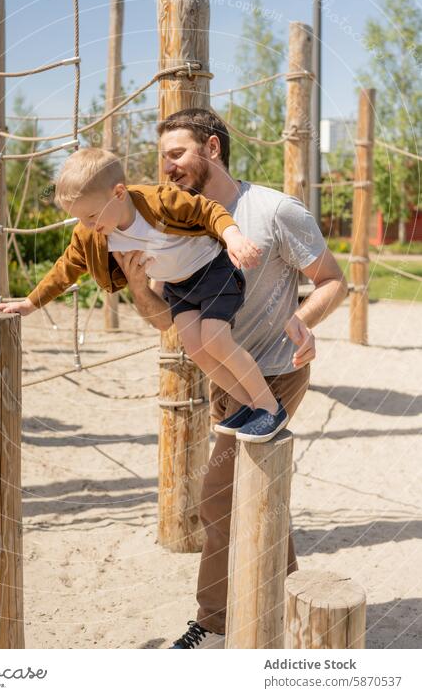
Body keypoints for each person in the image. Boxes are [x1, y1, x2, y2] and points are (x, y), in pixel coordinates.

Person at [111, 108, 348, 649]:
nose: (167, 167)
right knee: (257, 493)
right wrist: (138, 286)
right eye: (162, 157)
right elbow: (166, 322)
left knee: (222, 495)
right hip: (225, 378)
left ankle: (215, 624)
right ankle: (289, 609)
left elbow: (334, 281)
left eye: (178, 154)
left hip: (276, 371)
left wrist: (302, 319)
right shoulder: (171, 225)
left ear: (212, 149)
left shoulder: (273, 210)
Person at [0, 147, 294, 435]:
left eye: (92, 216)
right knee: (196, 348)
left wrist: (234, 238)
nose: (87, 224)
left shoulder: (159, 201)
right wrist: (30, 303)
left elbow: (208, 211)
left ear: (119, 193)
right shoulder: (92, 234)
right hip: (179, 286)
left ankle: (270, 407)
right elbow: (65, 268)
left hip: (214, 271)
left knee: (215, 338)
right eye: (81, 218)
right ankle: (250, 404)